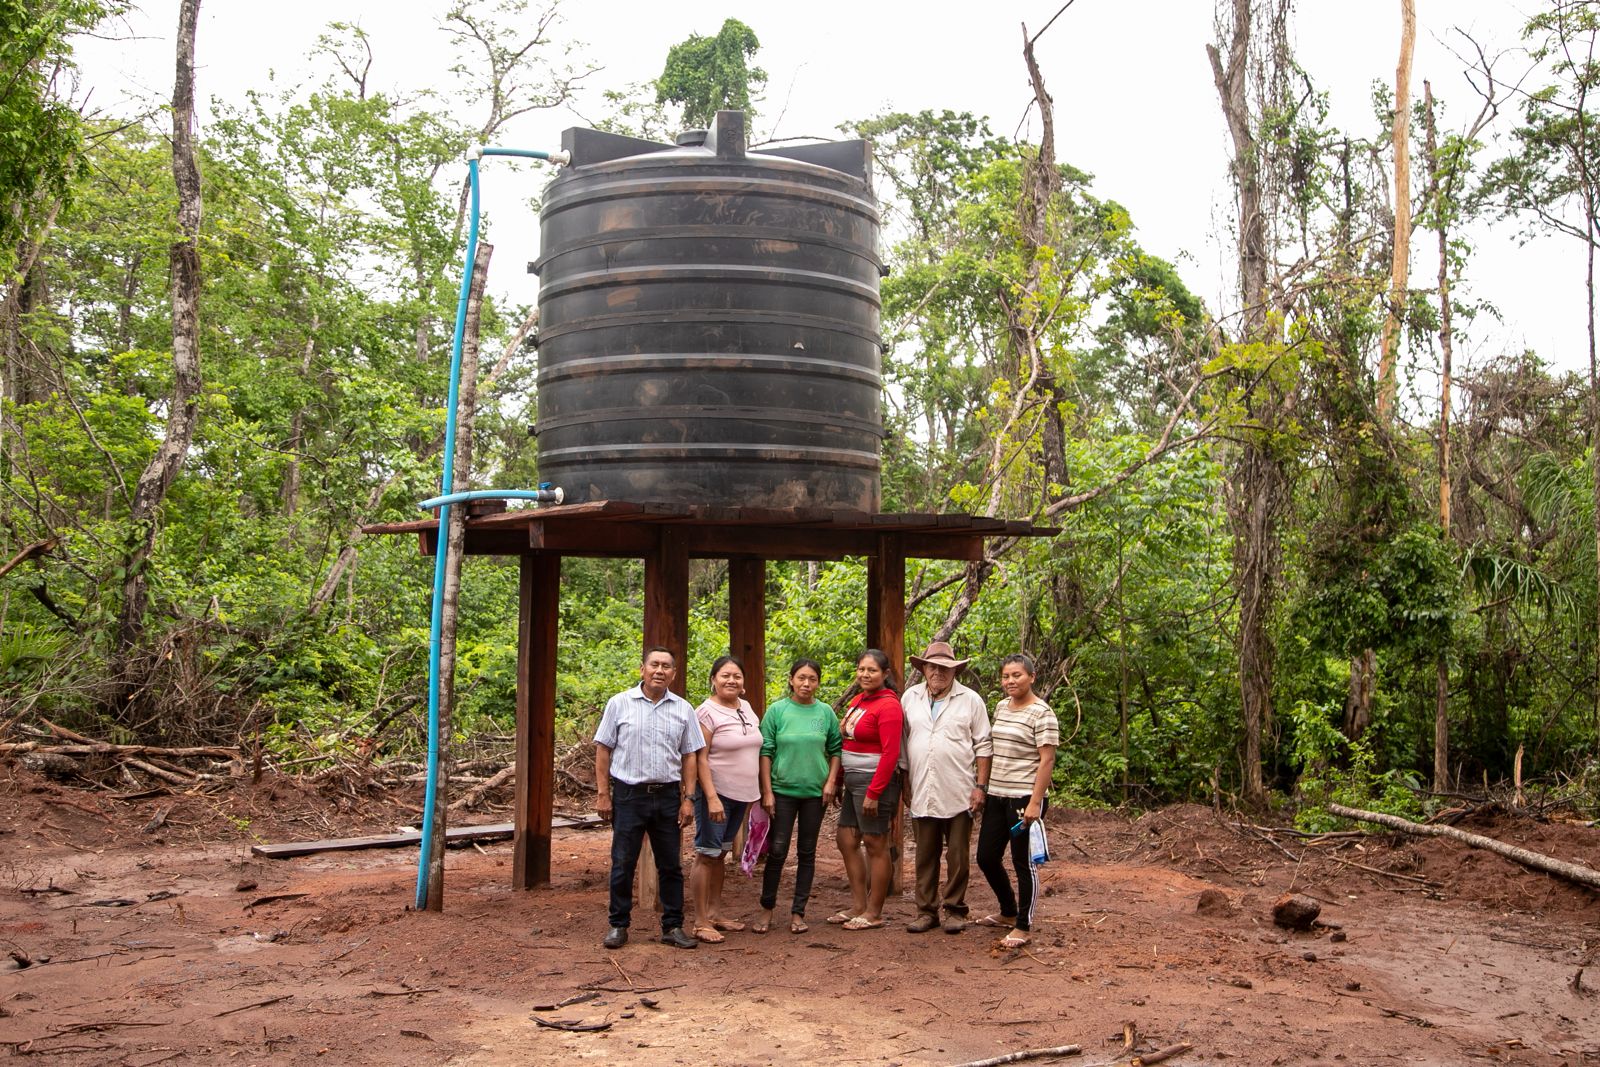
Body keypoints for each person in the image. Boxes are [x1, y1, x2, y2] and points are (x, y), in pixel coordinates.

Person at [593, 646, 704, 950]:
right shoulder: (619, 704)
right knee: (622, 862)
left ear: (674, 674)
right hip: (629, 795)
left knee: (670, 864)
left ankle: (673, 926)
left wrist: (688, 798)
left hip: (668, 795)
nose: (659, 671)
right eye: (654, 665)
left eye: (666, 666)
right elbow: (603, 749)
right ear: (642, 669)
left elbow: (690, 755)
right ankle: (618, 925)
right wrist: (604, 794)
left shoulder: (683, 708)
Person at [900, 640, 992, 934]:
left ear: (954, 670)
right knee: (924, 854)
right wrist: (905, 782)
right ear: (923, 669)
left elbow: (984, 745)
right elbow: (903, 744)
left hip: (959, 789)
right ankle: (926, 911)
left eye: (944, 667)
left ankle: (955, 909)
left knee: (957, 854)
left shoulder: (970, 700)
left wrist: (981, 786)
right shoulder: (910, 698)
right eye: (932, 666)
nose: (937, 672)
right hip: (922, 787)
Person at [975, 653, 1058, 949]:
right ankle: (1008, 911)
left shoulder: (1042, 713)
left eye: (1017, 676)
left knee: (1024, 863)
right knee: (986, 856)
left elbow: (1047, 760)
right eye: (1006, 676)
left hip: (1025, 798)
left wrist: (1036, 803)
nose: (1010, 681)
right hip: (998, 794)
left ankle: (1023, 924)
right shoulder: (1001, 707)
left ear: (1032, 677)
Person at [754, 658, 842, 934]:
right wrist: (767, 791)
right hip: (781, 792)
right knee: (777, 851)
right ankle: (767, 909)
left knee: (807, 852)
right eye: (801, 678)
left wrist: (831, 782)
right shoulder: (777, 711)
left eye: (812, 679)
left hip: (815, 794)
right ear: (791, 679)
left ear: (818, 682)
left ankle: (798, 913)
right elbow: (765, 751)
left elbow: (835, 749)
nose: (806, 683)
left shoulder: (825, 712)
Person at [690, 655, 763, 943]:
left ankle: (715, 913)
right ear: (713, 679)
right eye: (724, 675)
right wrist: (710, 797)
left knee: (719, 854)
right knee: (706, 854)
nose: (731, 680)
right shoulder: (706, 712)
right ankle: (699, 921)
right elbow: (700, 757)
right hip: (716, 794)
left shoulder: (745, 707)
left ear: (743, 683)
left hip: (741, 796)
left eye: (737, 676)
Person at [831, 649, 903, 931]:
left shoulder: (889, 706)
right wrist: (838, 779)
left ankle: (874, 911)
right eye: (861, 669)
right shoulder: (859, 700)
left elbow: (890, 753)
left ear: (885, 674)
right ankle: (858, 905)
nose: (865, 674)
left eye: (871, 670)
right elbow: (846, 742)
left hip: (875, 782)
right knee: (846, 839)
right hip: (853, 781)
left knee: (875, 843)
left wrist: (875, 792)